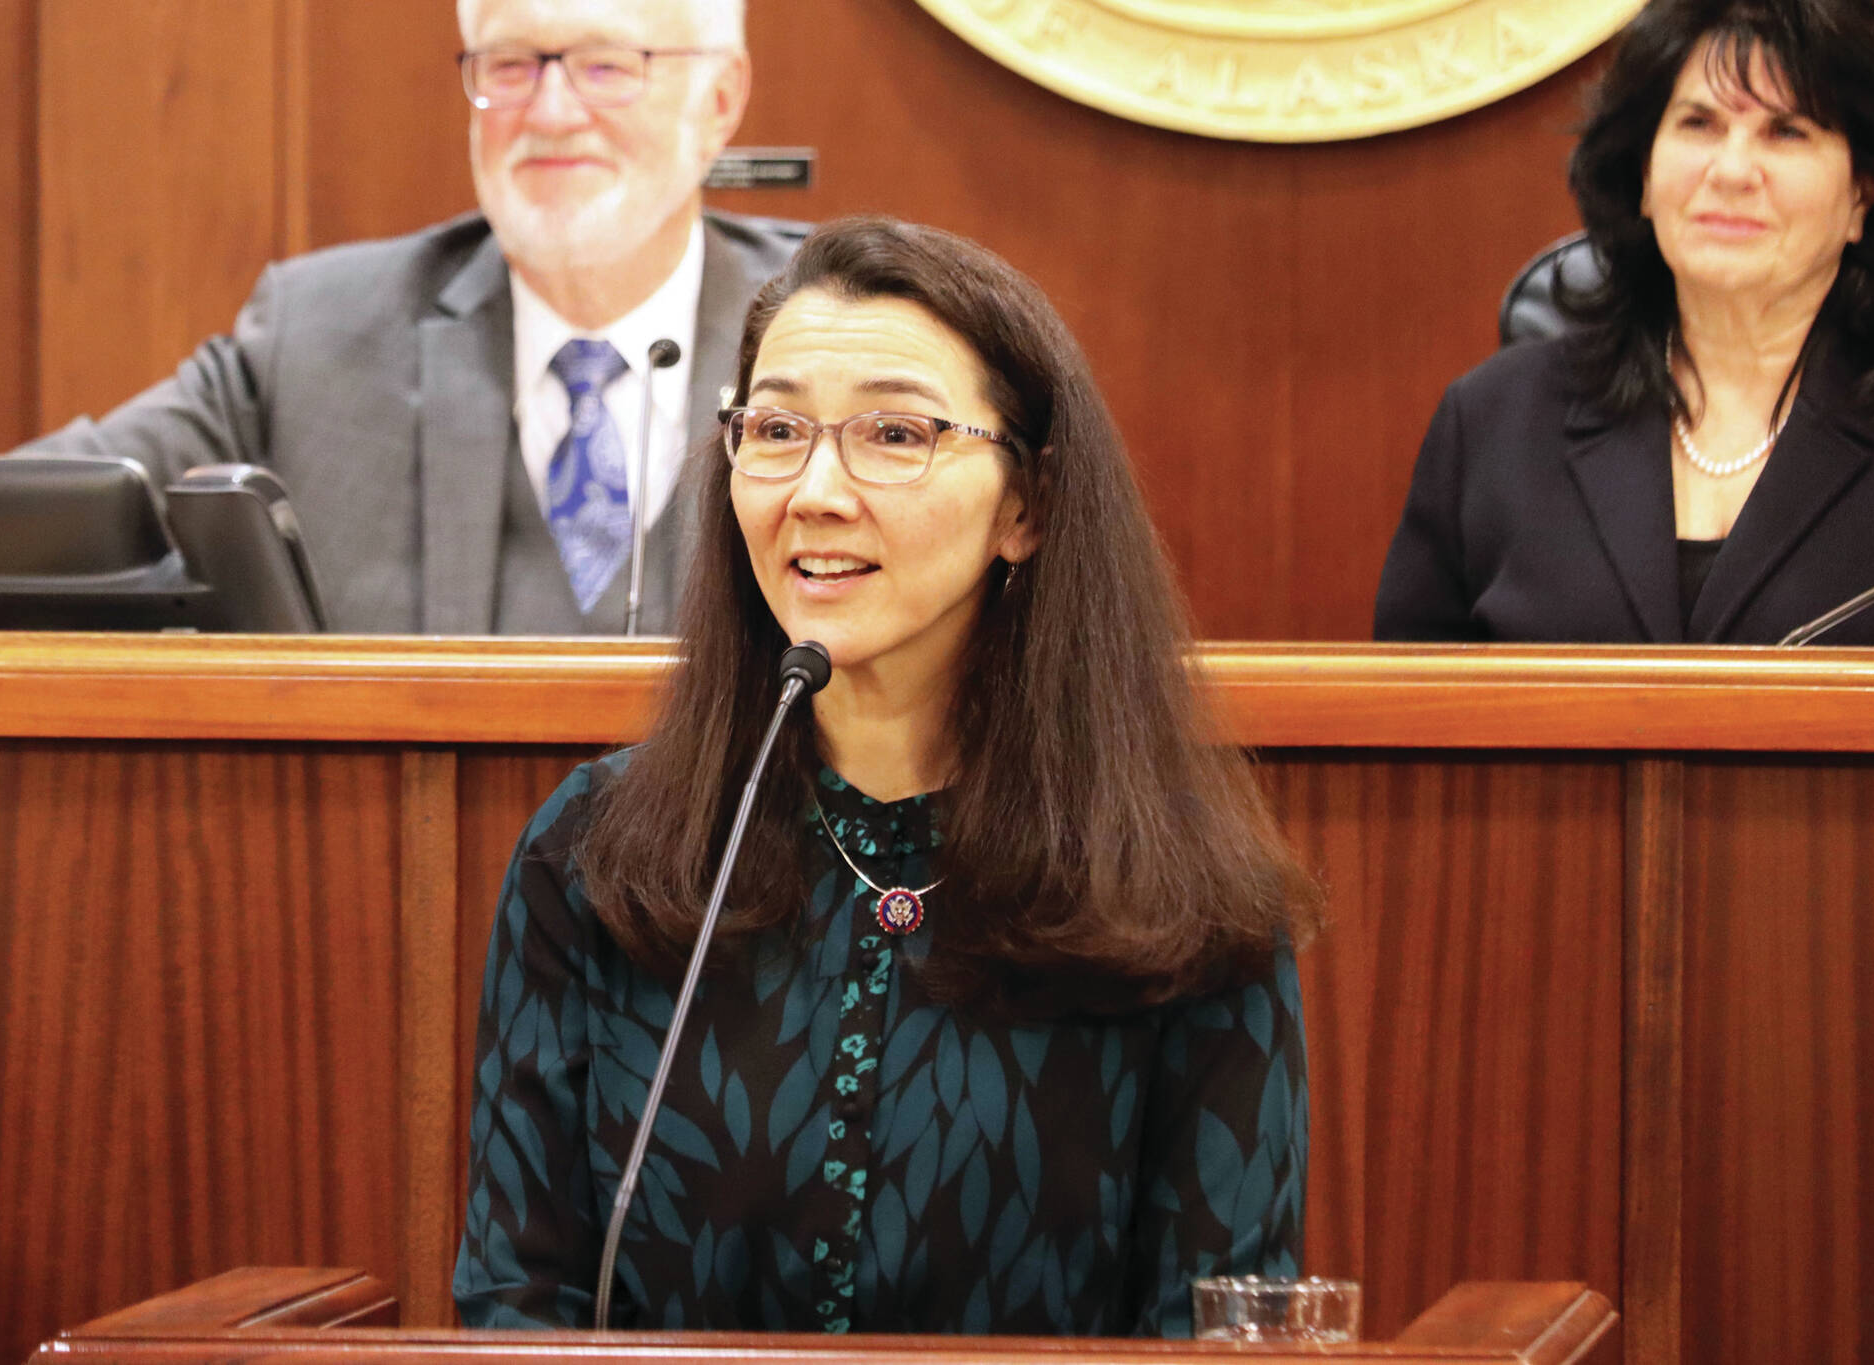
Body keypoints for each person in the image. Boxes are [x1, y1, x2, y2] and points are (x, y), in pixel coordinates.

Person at [453, 218, 1321, 1336]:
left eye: (893, 433)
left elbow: (1216, 1332)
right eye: (774, 429)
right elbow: (513, 1306)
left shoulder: (1180, 889)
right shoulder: (599, 854)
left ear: (1026, 506)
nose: (814, 491)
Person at [0, 0, 803, 634]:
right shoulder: (318, 338)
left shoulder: (838, 329)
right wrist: (226, 608)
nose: (553, 112)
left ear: (719, 100)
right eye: (511, 65)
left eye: (608, 66)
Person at [1375, 0, 1874, 644]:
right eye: (1700, 124)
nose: (1730, 172)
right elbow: (1410, 722)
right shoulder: (1494, 421)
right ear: (1643, 171)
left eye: (1787, 132)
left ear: (1863, 192)